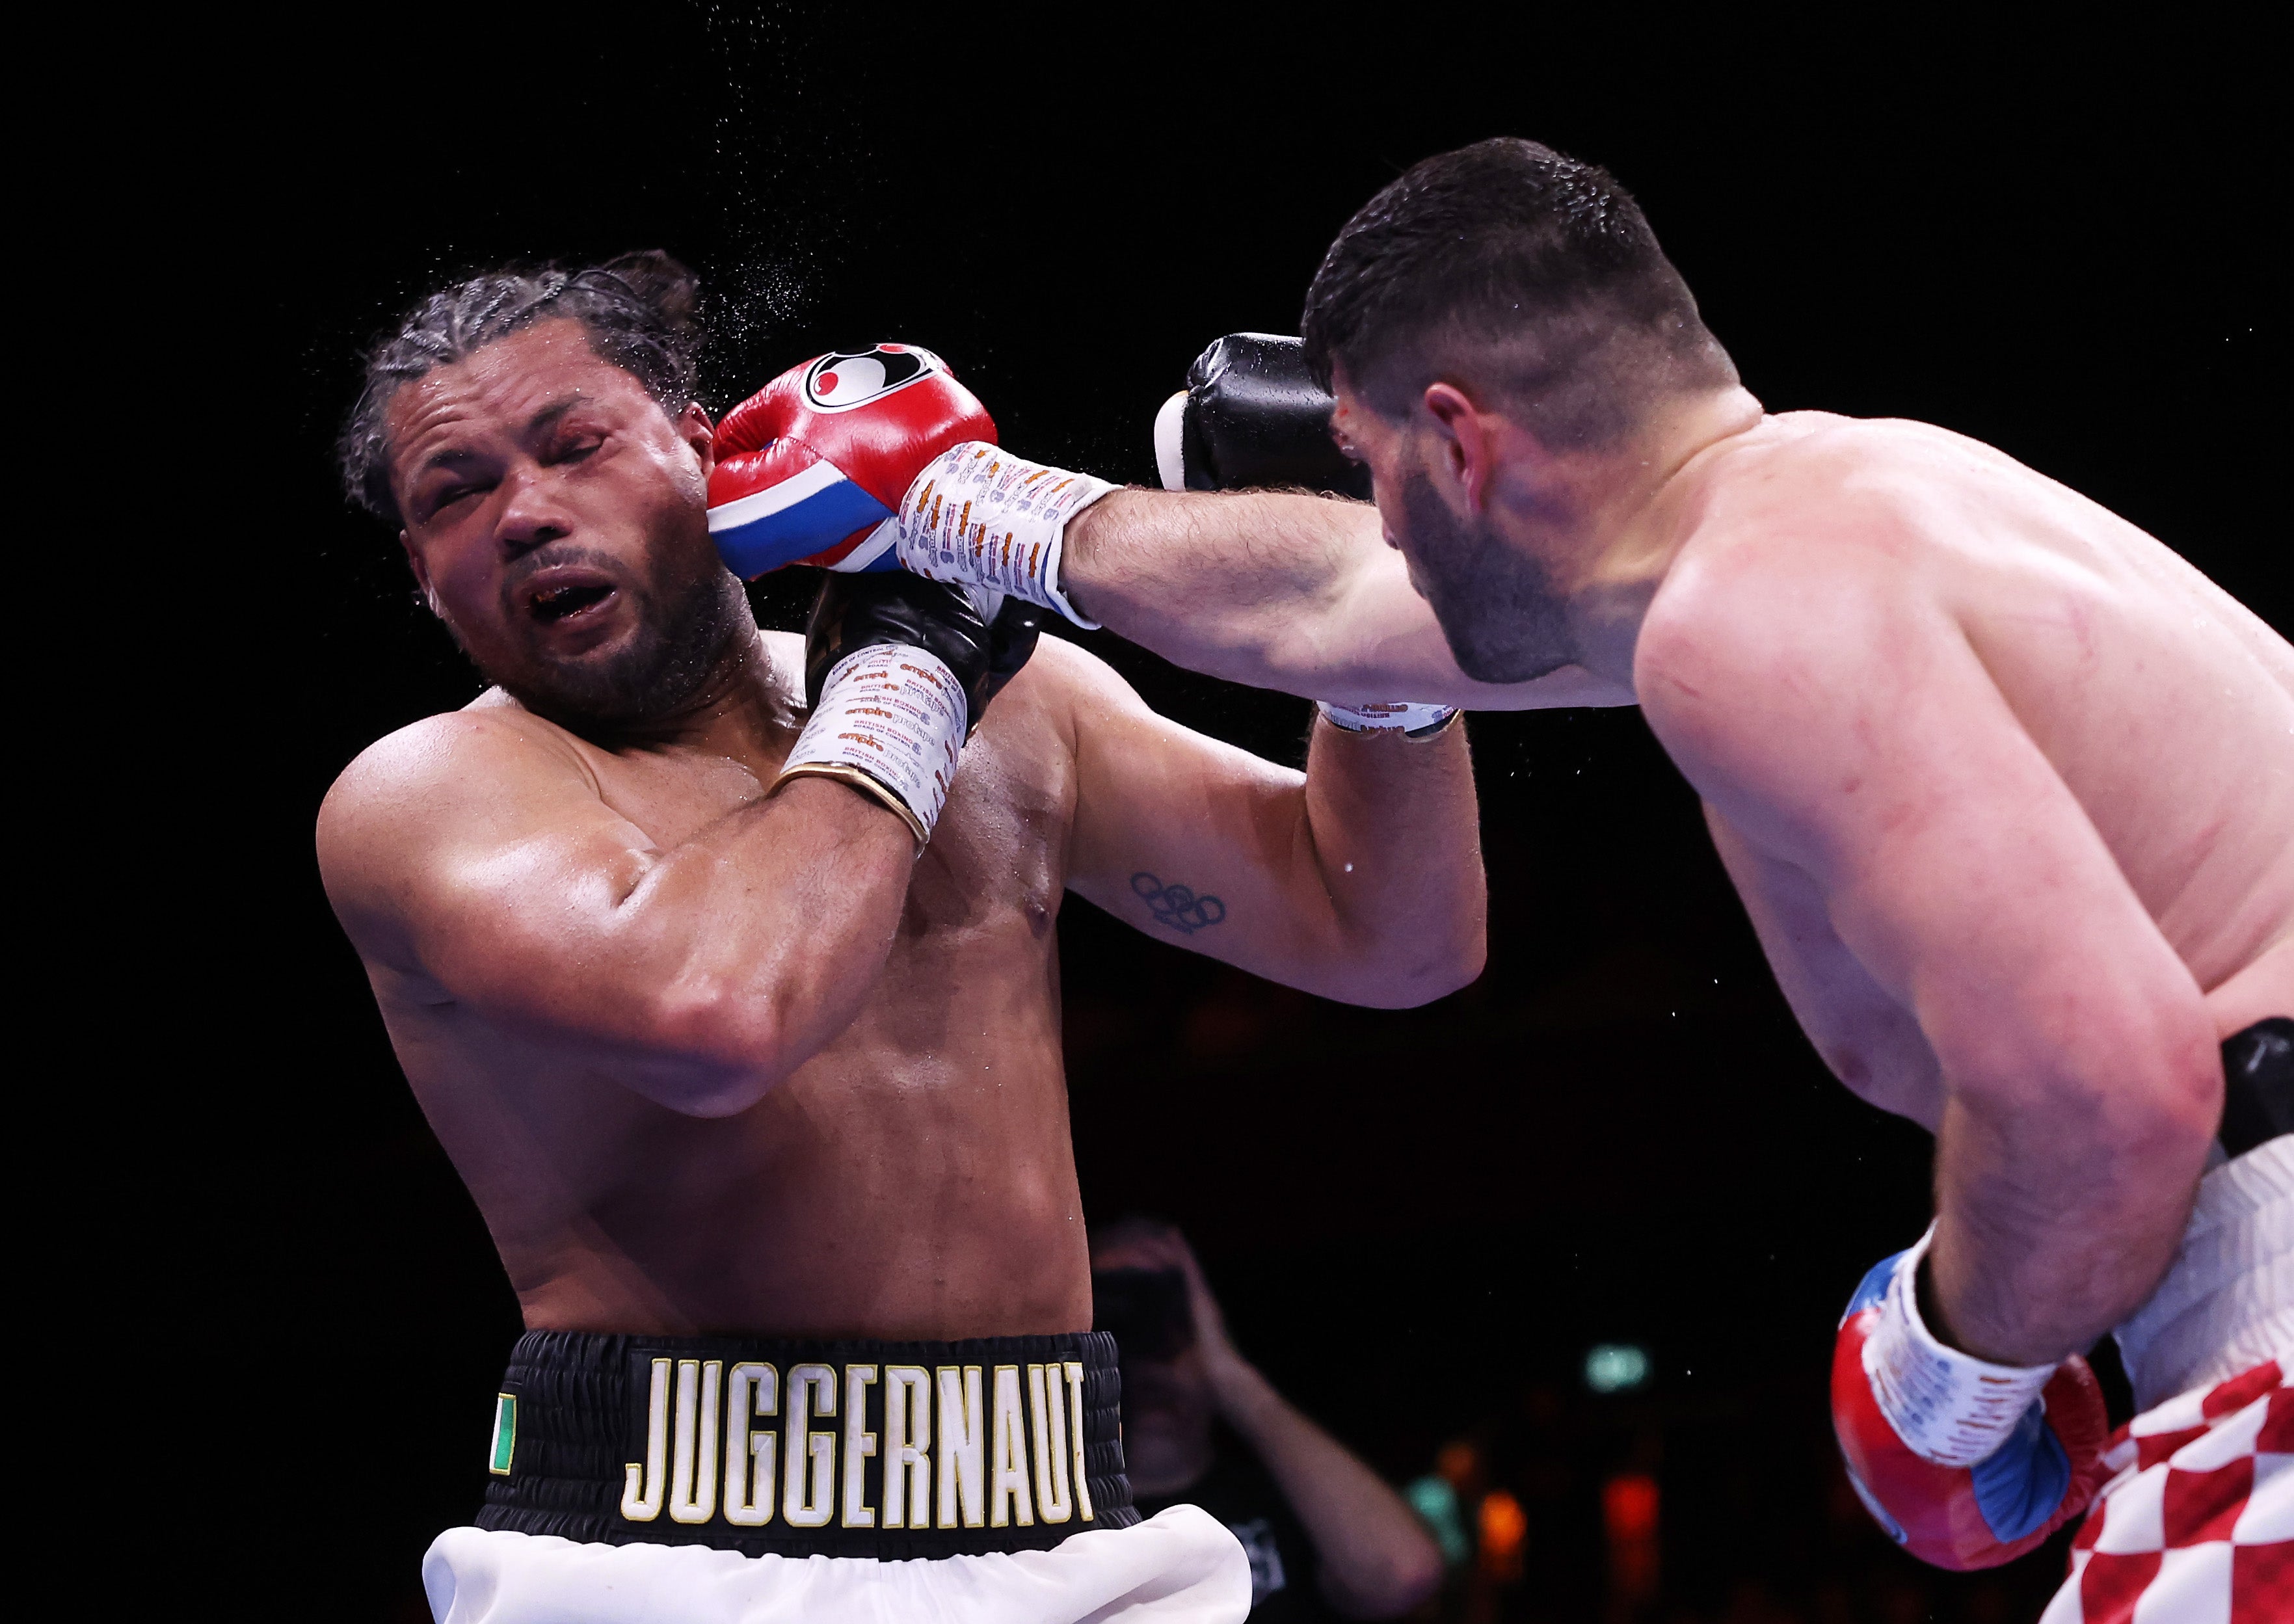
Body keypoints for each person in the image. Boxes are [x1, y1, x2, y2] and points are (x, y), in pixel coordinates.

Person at [812, 141, 2292, 1620]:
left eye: (1373, 467)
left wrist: (1946, 1364)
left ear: (1458, 442)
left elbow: (2107, 1100)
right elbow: (1322, 607)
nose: (1373, 519)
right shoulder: (1829, 509)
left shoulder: (1749, 609)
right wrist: (951, 496)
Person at [315, 250, 1489, 1623]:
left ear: (704, 451)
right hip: (674, 1559)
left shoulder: (1027, 712)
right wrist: (908, 669)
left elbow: (1390, 938)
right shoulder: (428, 800)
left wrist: (1379, 644)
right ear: (420, 569)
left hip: (1064, 1530)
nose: (524, 514)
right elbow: (722, 1013)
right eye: (457, 494)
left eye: (574, 447)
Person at [1089, 1219, 1444, 1621]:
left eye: (1167, 1318)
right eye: (1116, 1320)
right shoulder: (1053, 1523)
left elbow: (1402, 1575)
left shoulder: (1293, 1506)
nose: (1146, 1352)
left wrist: (1232, 1375)